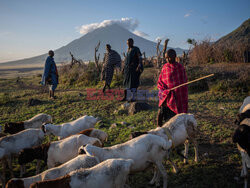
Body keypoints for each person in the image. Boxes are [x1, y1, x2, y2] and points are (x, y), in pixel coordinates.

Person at [157, 49, 188, 127]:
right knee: (161, 113)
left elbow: (183, 83)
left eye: (169, 57)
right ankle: (158, 129)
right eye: (166, 58)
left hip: (177, 97)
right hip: (166, 96)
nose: (167, 60)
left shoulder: (180, 68)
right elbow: (160, 81)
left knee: (174, 118)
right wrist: (164, 90)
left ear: (174, 56)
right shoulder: (165, 67)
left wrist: (175, 91)